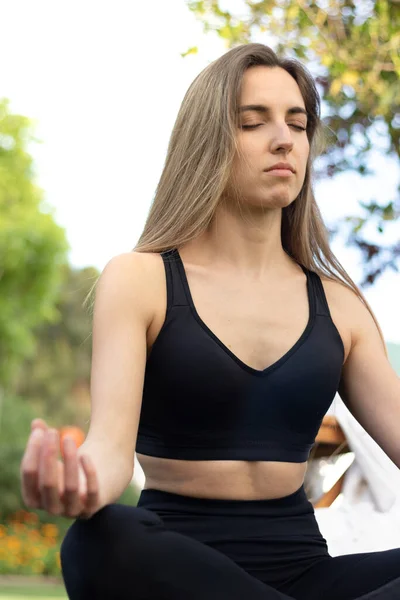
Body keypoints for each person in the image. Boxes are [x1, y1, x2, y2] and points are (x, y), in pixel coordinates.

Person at [20, 43, 400, 600]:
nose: (284, 139)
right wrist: (78, 487)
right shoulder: (140, 279)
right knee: (97, 539)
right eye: (254, 122)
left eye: (297, 124)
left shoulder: (341, 306)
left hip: (306, 573)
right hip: (174, 564)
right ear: (209, 142)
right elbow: (108, 451)